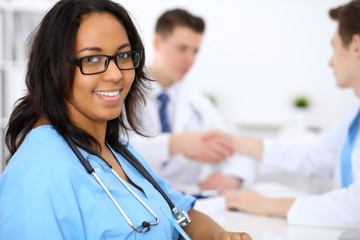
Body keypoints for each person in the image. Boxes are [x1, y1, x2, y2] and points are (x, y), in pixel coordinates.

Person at [0, 1, 252, 239]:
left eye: (123, 56)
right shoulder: (39, 174)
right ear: (53, 69)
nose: (115, 74)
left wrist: (219, 235)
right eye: (92, 59)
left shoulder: (118, 151)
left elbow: (179, 213)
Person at [224, 0, 360, 229]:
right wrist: (235, 142)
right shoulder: (353, 118)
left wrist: (268, 205)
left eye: (334, 47)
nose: (330, 62)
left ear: (356, 47)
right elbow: (314, 156)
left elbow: (355, 206)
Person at [127, 8, 257, 194]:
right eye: (182, 48)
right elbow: (112, 147)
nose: (190, 59)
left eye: (195, 51)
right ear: (157, 42)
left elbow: (236, 151)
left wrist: (233, 177)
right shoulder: (124, 92)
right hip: (135, 199)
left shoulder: (198, 103)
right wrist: (175, 143)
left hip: (187, 202)